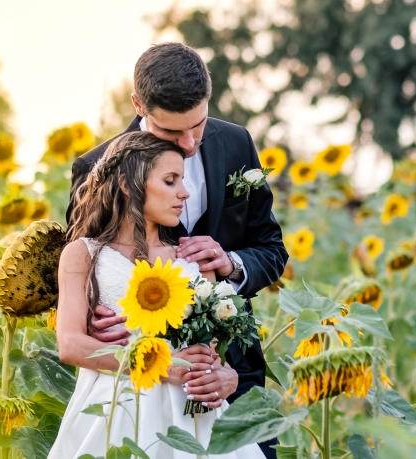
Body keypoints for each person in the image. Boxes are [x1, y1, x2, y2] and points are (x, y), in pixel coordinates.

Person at [65, 43, 286, 458]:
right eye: (172, 132)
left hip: (227, 375)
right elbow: (82, 282)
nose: (188, 143)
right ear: (138, 105)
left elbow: (271, 249)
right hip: (129, 397)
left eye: (198, 125)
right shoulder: (96, 170)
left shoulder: (237, 144)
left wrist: (232, 264)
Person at [50, 132, 264, 458]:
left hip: (197, 423)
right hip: (117, 409)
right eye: (170, 180)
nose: (184, 192)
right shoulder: (82, 255)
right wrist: (163, 367)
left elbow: (212, 355)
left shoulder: (194, 259)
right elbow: (71, 344)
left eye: (182, 179)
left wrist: (226, 376)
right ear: (126, 184)